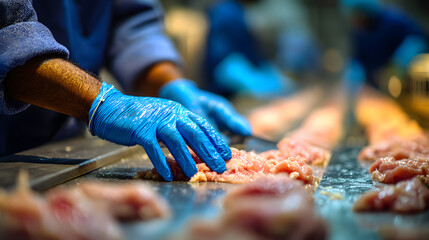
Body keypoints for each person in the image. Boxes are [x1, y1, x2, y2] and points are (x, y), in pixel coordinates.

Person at [0, 0, 252, 181]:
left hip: (58, 143)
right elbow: (8, 36)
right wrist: (101, 103)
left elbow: (132, 24)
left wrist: (170, 83)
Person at [203, 0, 294, 98]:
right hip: (226, 94)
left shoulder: (237, 10)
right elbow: (224, 66)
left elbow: (252, 55)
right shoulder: (225, 13)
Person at [341, 0, 428, 91]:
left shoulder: (393, 21)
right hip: (381, 81)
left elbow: (418, 41)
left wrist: (394, 67)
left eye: (356, 15)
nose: (353, 20)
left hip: (411, 77)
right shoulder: (360, 32)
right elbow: (358, 60)